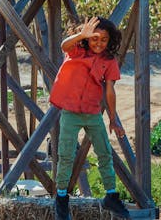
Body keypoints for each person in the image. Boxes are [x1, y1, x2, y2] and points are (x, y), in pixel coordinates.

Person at [50, 16, 130, 220]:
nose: (98, 43)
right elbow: (64, 45)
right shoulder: (77, 49)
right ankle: (61, 199)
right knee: (66, 155)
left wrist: (113, 119)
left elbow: (110, 91)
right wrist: (82, 35)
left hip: (92, 112)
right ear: (87, 38)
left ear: (109, 41)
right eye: (94, 38)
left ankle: (111, 195)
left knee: (105, 153)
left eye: (103, 40)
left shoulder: (109, 61)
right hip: (70, 112)